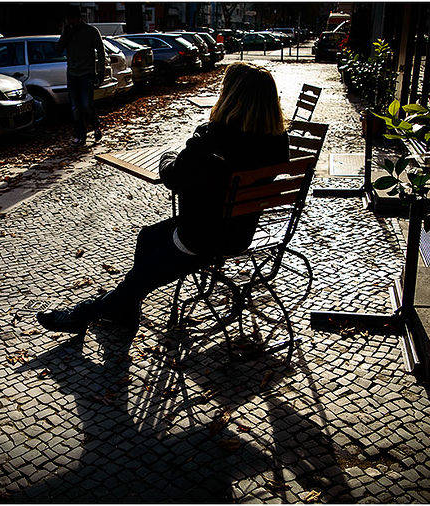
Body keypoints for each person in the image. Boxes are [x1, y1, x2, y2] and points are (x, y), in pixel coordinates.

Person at [37, 62, 289, 336]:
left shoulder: (213, 139)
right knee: (148, 237)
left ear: (230, 97)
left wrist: (169, 155)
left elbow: (173, 177)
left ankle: (83, 314)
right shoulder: (277, 141)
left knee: (141, 278)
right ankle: (125, 312)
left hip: (201, 237)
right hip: (240, 232)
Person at [57, 5, 106, 146]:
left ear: (78, 18)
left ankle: (95, 125)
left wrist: (100, 71)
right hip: (72, 74)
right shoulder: (68, 32)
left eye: (72, 18)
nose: (70, 21)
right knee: (75, 107)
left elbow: (101, 52)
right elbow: (58, 49)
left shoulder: (91, 31)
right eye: (68, 19)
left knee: (86, 105)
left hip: (86, 73)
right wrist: (65, 34)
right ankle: (80, 135)